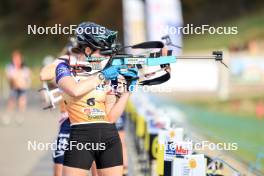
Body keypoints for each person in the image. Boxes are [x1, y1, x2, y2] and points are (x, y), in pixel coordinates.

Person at [55, 22, 138, 176]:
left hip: (109, 137)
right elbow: (74, 90)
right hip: (80, 138)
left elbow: (111, 117)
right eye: (104, 53)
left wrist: (128, 90)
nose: (107, 58)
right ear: (87, 50)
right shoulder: (64, 67)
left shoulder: (104, 73)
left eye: (109, 54)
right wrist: (102, 76)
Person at [3, 50, 31, 124]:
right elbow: (10, 78)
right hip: (13, 88)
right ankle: (7, 116)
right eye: (15, 58)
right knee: (11, 102)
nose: (16, 60)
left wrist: (23, 83)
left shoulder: (25, 68)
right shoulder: (10, 67)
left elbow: (27, 79)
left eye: (18, 58)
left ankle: (20, 116)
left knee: (22, 101)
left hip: (22, 88)